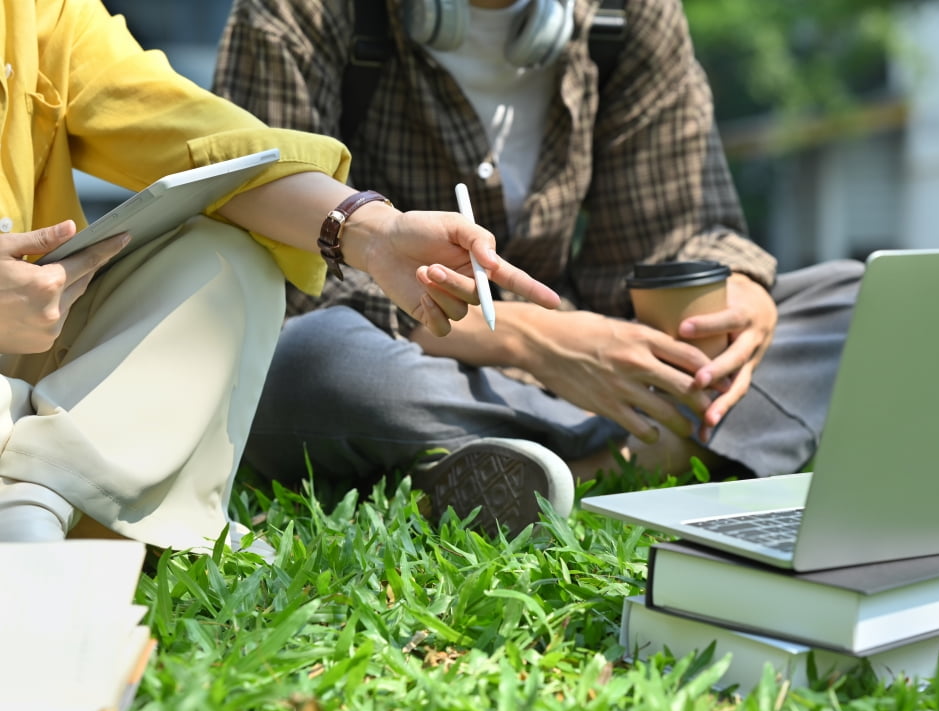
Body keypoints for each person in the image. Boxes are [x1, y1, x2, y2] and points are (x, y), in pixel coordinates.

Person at [213, 0, 863, 532]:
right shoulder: (301, 13)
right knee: (312, 363)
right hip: (403, 358)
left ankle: (545, 472)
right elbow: (277, 272)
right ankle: (655, 452)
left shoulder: (629, 16)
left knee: (854, 301)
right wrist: (529, 337)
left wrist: (735, 294)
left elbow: (662, 243)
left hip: (591, 373)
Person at [0, 0, 560, 548]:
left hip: (37, 351)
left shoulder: (37, 13)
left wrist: (371, 232)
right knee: (327, 367)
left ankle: (41, 493)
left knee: (226, 259)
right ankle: (61, 498)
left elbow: (189, 133)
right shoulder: (299, 14)